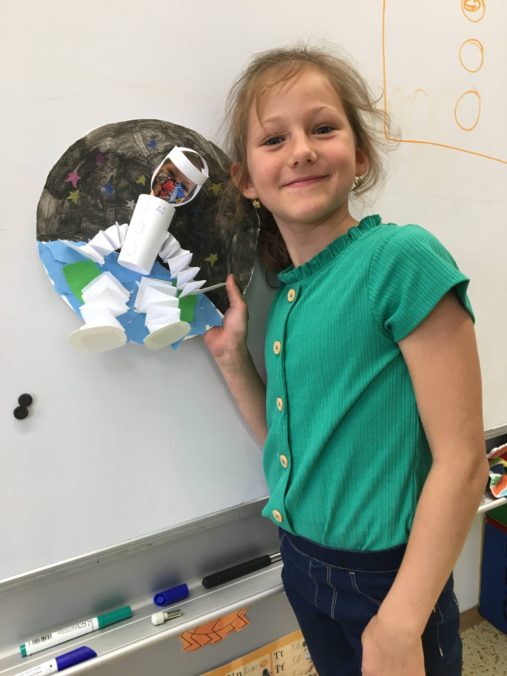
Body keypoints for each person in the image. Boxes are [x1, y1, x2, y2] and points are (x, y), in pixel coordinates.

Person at [204, 45, 488, 676]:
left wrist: (400, 623)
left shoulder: (400, 258)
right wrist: (231, 359)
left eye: (323, 128)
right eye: (274, 139)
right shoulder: (287, 298)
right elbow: (291, 445)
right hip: (302, 562)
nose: (301, 150)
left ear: (360, 155)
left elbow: (464, 461)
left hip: (390, 580)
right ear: (246, 180)